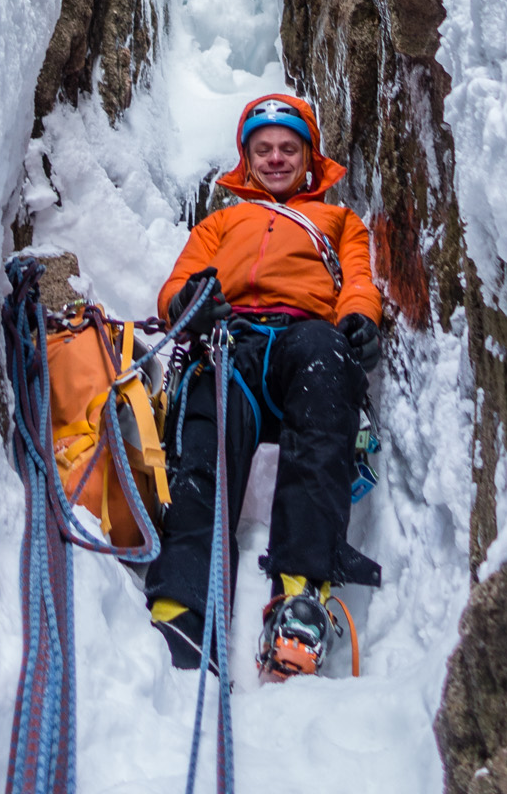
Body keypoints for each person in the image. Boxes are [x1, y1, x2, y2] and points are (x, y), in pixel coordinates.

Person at [146, 92, 382, 680]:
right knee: (203, 441)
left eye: (288, 149)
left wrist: (359, 318)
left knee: (327, 393)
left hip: (308, 336)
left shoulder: (337, 220)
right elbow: (177, 286)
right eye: (263, 150)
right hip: (235, 336)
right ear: (247, 161)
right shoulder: (220, 222)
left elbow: (357, 279)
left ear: (308, 157)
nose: (276, 159)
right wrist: (188, 307)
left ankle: (301, 593)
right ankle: (184, 598)